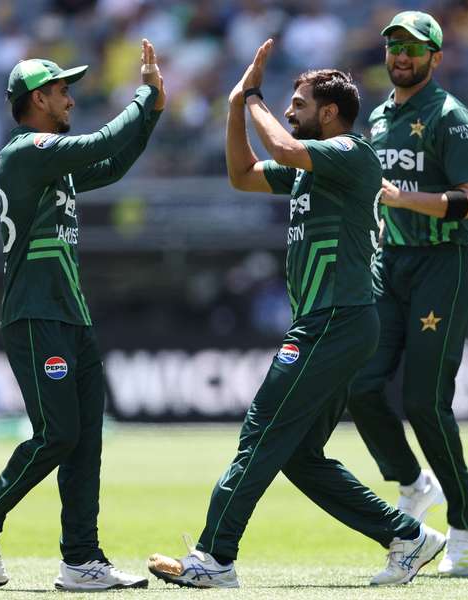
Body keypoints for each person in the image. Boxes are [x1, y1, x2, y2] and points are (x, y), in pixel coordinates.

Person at [147, 39, 445, 589]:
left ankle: (214, 558)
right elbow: (242, 174)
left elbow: (281, 148)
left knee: (260, 433)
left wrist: (254, 94)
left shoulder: (351, 153)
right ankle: (407, 536)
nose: (289, 110)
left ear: (329, 114)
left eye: (299, 103)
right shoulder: (313, 169)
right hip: (330, 323)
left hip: (335, 320)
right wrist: (236, 106)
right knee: (300, 454)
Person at [0, 39, 166, 592]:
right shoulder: (25, 153)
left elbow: (114, 163)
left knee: (84, 441)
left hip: (72, 317)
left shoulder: (55, 164)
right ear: (37, 98)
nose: (71, 98)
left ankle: (81, 560)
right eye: (63, 91)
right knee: (58, 434)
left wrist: (155, 112)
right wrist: (143, 95)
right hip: (35, 315)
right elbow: (103, 140)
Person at [346, 11, 468, 577]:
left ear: (436, 57)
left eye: (414, 48)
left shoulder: (450, 116)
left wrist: (410, 200)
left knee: (423, 402)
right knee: (358, 384)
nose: (401, 56)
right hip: (391, 264)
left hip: (444, 264)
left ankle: (467, 522)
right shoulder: (380, 118)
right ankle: (413, 482)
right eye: (394, 47)